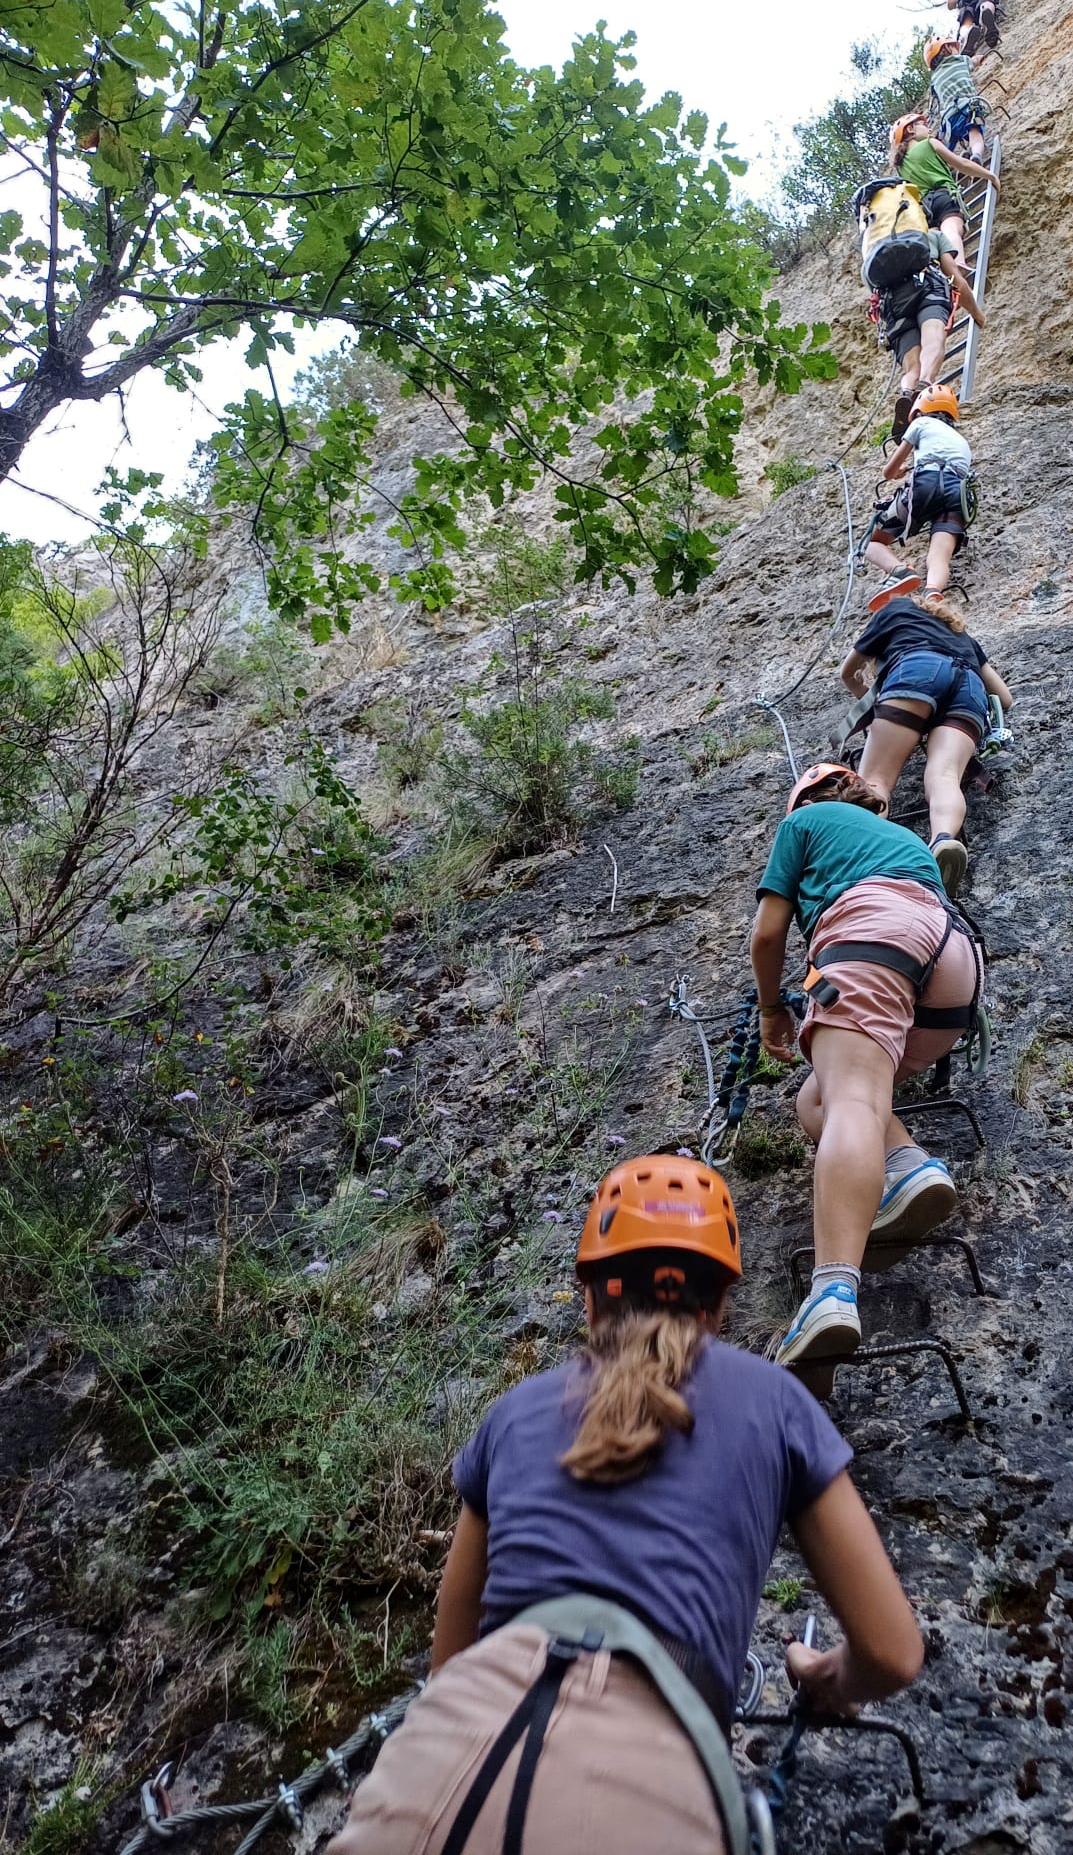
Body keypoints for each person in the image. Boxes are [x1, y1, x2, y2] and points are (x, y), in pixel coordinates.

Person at [327, 1157, 924, 1855]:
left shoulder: (513, 1414)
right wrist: (829, 1677)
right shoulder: (775, 1402)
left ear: (589, 1299)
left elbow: (449, 1663)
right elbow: (891, 1651)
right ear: (720, 1305)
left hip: (432, 1770)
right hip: (636, 1793)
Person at [753, 766, 985, 1387]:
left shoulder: (803, 822)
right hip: (953, 963)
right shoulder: (902, 838)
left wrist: (772, 1009)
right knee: (819, 1099)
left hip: (870, 935)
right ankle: (906, 1165)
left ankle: (831, 1292)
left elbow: (768, 934)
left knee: (850, 1098)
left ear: (803, 801)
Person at [840, 591, 1013, 894]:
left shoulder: (895, 609)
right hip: (969, 687)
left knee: (876, 778)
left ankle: (862, 861)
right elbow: (1005, 698)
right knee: (945, 776)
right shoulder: (962, 636)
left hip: (915, 671)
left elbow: (849, 673)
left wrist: (882, 708)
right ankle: (943, 840)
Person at [863, 383, 974, 602]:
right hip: (957, 494)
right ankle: (932, 591)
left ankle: (900, 571)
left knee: (870, 543)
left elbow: (888, 472)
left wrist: (897, 472)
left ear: (919, 410)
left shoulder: (921, 423)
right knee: (939, 556)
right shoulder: (962, 441)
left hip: (926, 484)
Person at [888, 110, 1000, 316]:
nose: (928, 128)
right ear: (911, 129)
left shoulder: (901, 165)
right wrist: (990, 176)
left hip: (923, 208)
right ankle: (959, 263)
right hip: (943, 195)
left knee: (937, 240)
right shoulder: (929, 143)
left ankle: (946, 274)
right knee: (952, 229)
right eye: (922, 124)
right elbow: (962, 164)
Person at [877, 248, 953, 443]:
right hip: (929, 289)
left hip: (893, 305)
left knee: (912, 368)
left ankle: (907, 393)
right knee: (932, 341)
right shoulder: (930, 238)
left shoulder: (878, 251)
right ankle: (924, 386)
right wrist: (978, 314)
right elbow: (955, 275)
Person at [925, 38, 991, 168]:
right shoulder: (960, 60)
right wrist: (981, 58)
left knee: (947, 148)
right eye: (954, 46)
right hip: (968, 106)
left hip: (948, 118)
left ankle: (952, 164)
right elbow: (975, 60)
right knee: (975, 133)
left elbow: (935, 98)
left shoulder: (934, 79)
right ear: (947, 48)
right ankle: (976, 155)